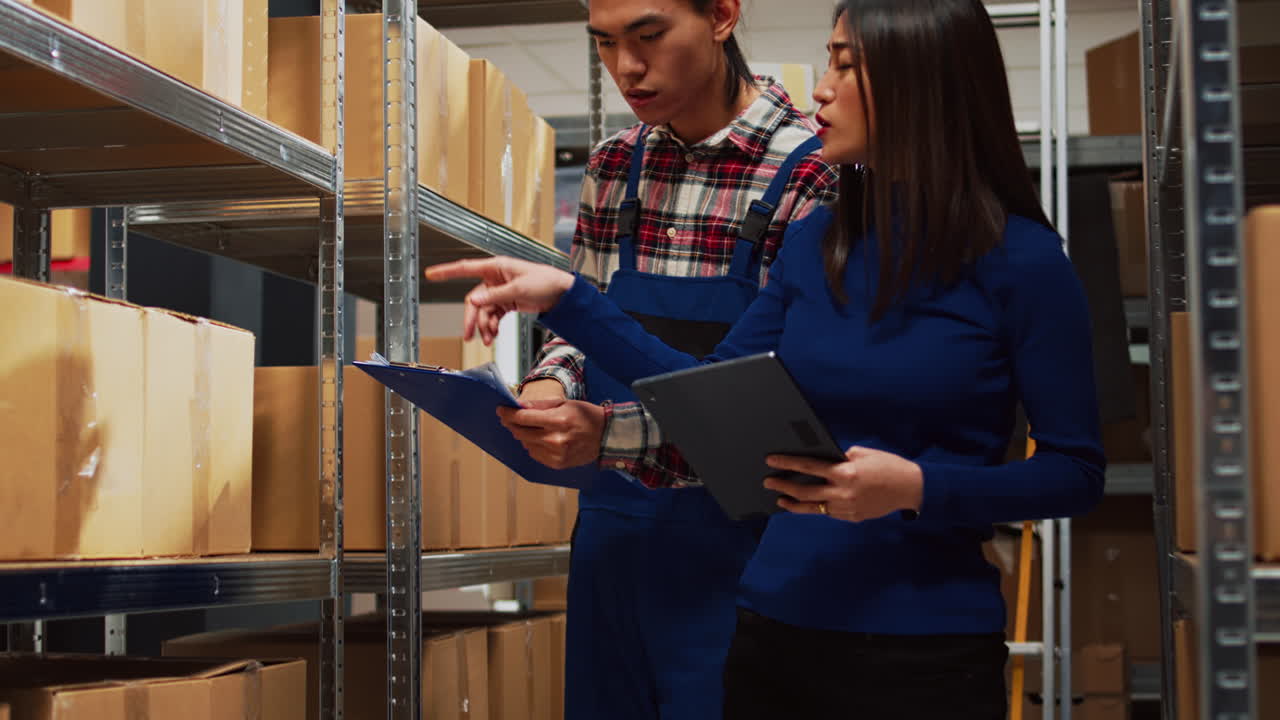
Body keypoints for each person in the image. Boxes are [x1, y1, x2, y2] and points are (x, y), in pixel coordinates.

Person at [428, 1, 1107, 717]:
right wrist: (565, 297)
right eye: (830, 58)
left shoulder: (1024, 263)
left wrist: (917, 488)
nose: (821, 85)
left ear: (922, 81)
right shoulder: (822, 243)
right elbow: (712, 394)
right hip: (771, 631)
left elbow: (1075, 473)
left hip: (921, 649)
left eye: (846, 65)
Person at [499, 0, 836, 718]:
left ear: (721, 16)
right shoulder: (614, 165)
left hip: (746, 542)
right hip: (612, 537)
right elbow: (581, 316)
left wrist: (609, 431)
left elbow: (781, 394)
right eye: (606, 43)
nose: (627, 67)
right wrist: (550, 383)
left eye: (649, 36)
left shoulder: (813, 175)